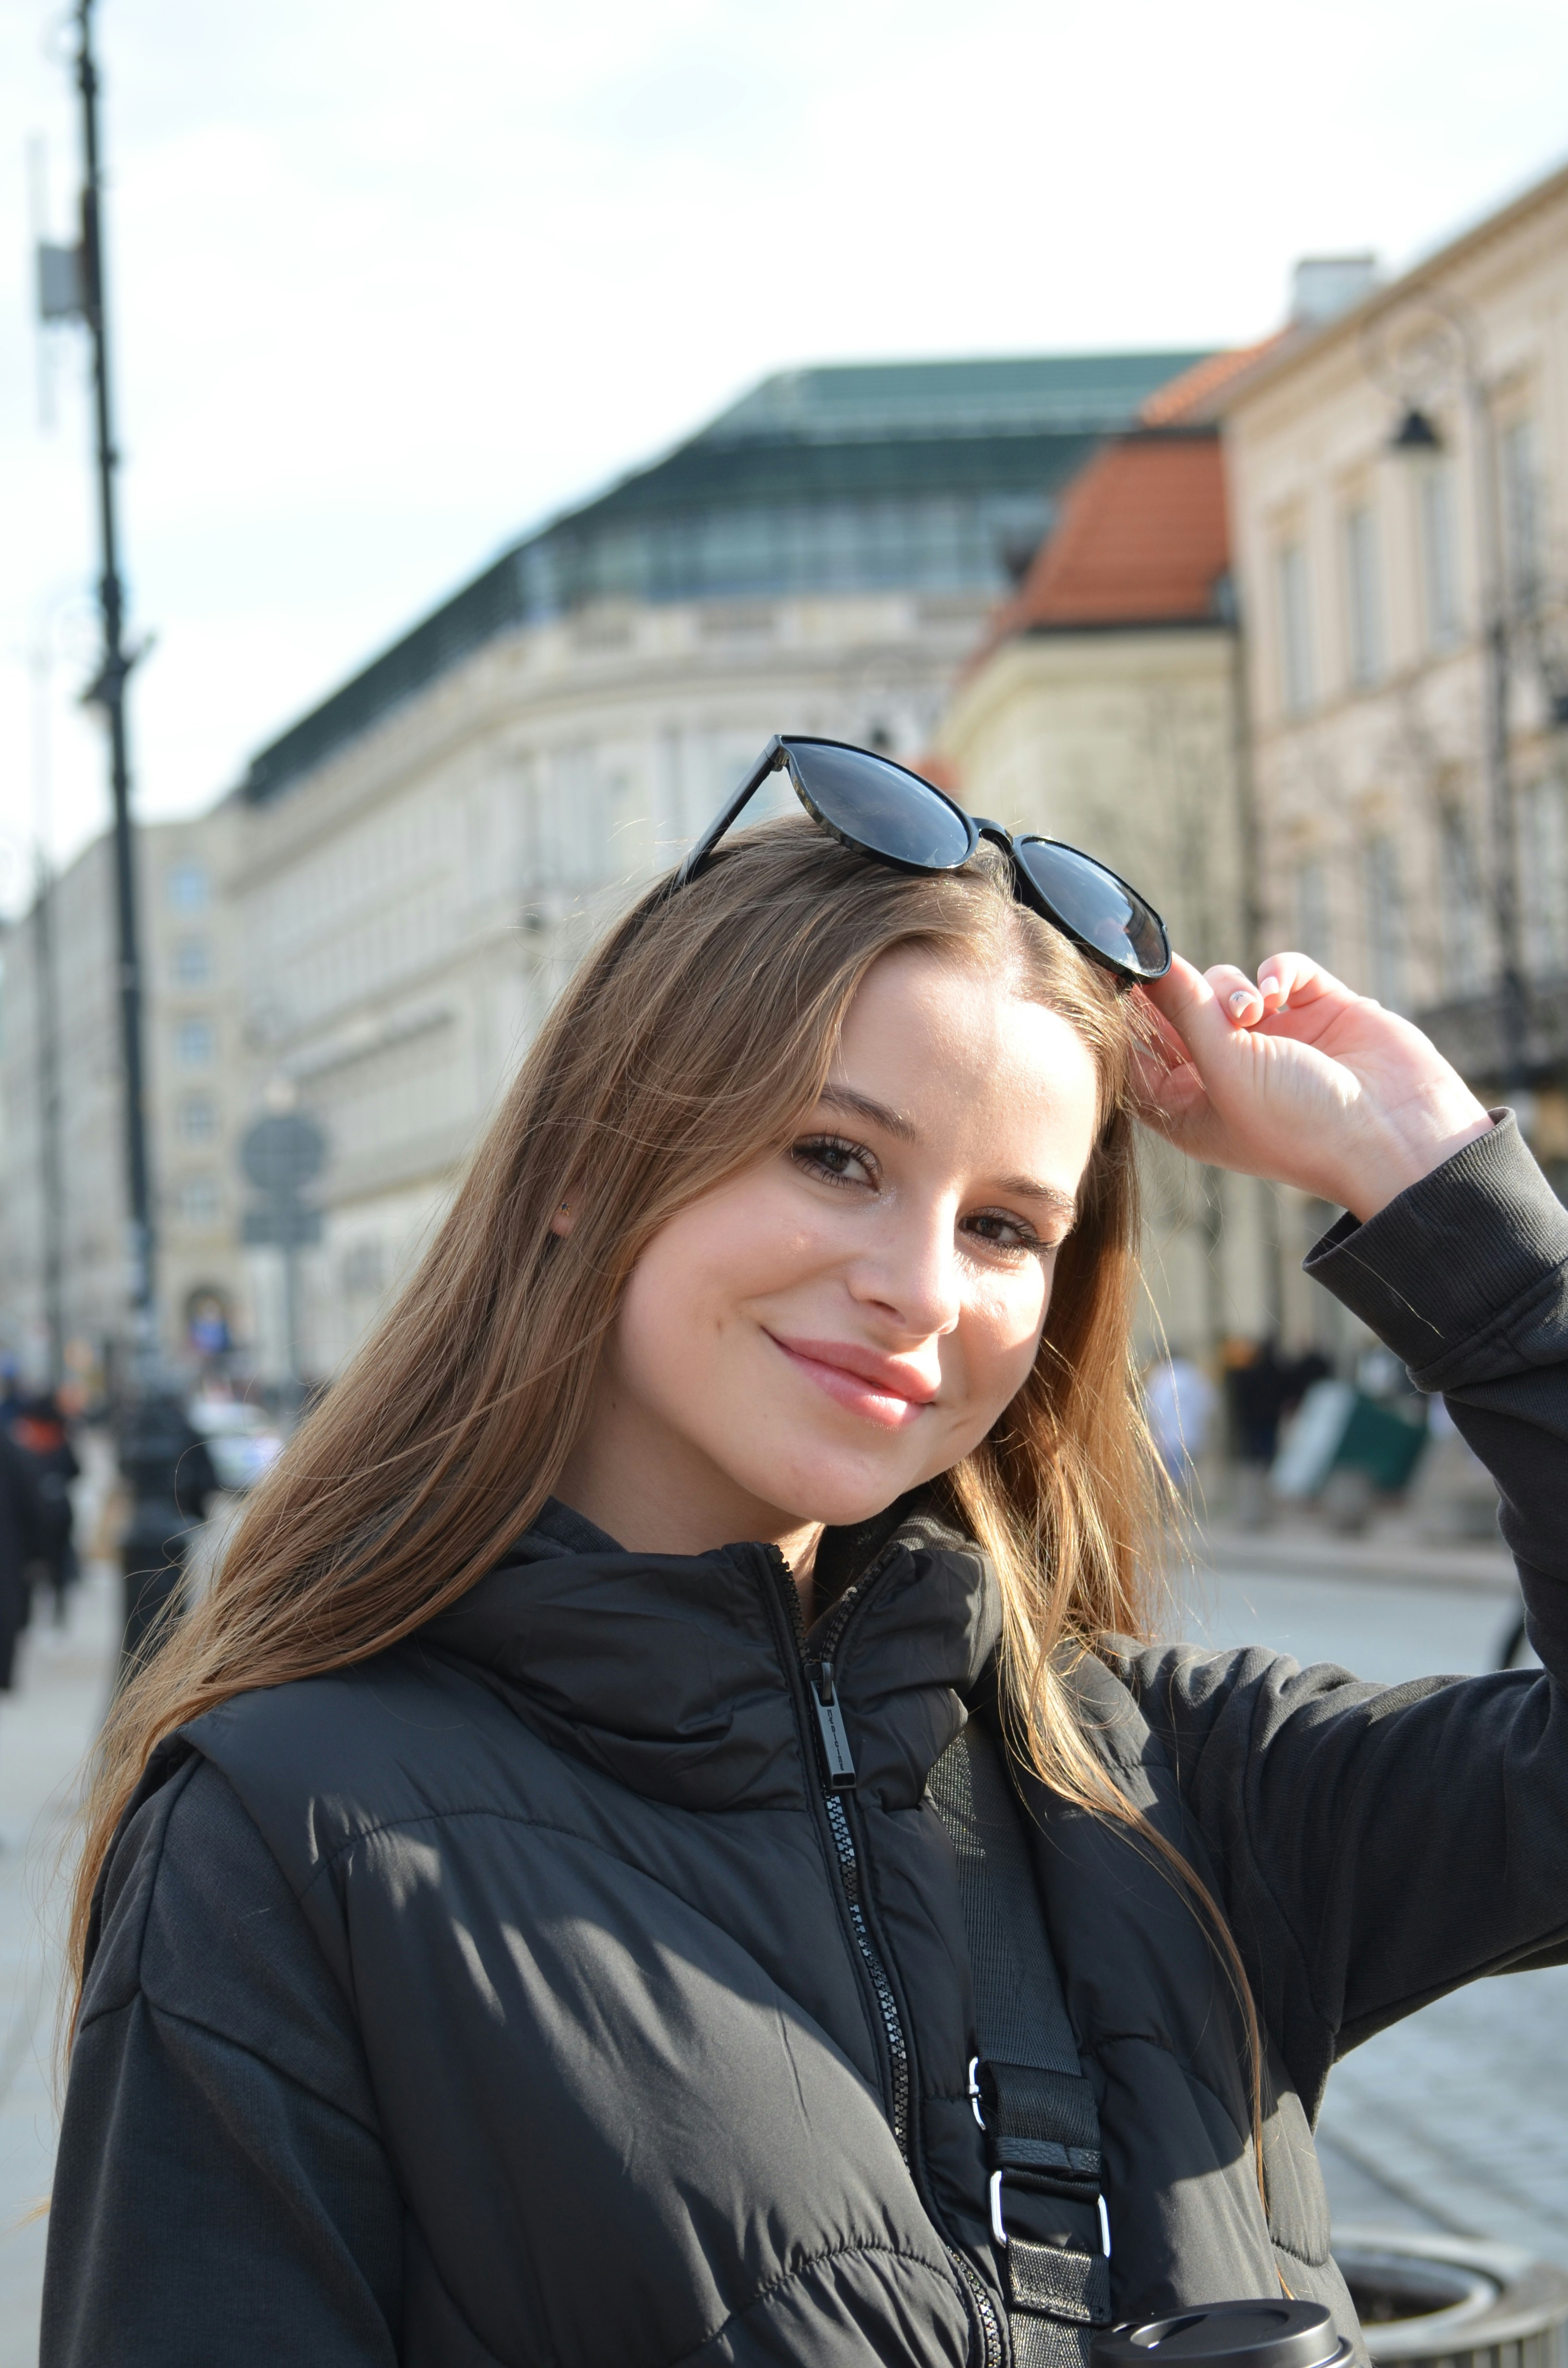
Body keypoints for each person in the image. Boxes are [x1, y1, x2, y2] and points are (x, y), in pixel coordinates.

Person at [40, 740, 1568, 2368]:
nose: (920, 1285)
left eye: (1003, 1226)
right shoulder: (296, 1837)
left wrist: (1438, 1187)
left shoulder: (1170, 1786)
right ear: (584, 1169)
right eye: (835, 1156)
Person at [10, 1392, 82, 1627]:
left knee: (40, 1566)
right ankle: (56, 1602)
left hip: (48, 1517)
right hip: (56, 1513)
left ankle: (51, 1604)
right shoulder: (57, 1442)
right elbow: (76, 1471)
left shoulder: (25, 1448)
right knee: (56, 1563)